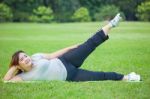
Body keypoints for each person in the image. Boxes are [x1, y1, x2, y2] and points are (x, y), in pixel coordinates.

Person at [3, 13, 141, 82]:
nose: (26, 58)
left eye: (25, 55)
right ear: (19, 66)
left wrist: (71, 47)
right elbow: (5, 81)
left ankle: (112, 24)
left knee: (89, 44)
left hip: (66, 60)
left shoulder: (36, 56)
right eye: (22, 59)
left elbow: (52, 55)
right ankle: (127, 77)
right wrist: (15, 67)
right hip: (70, 75)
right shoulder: (23, 77)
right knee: (99, 76)